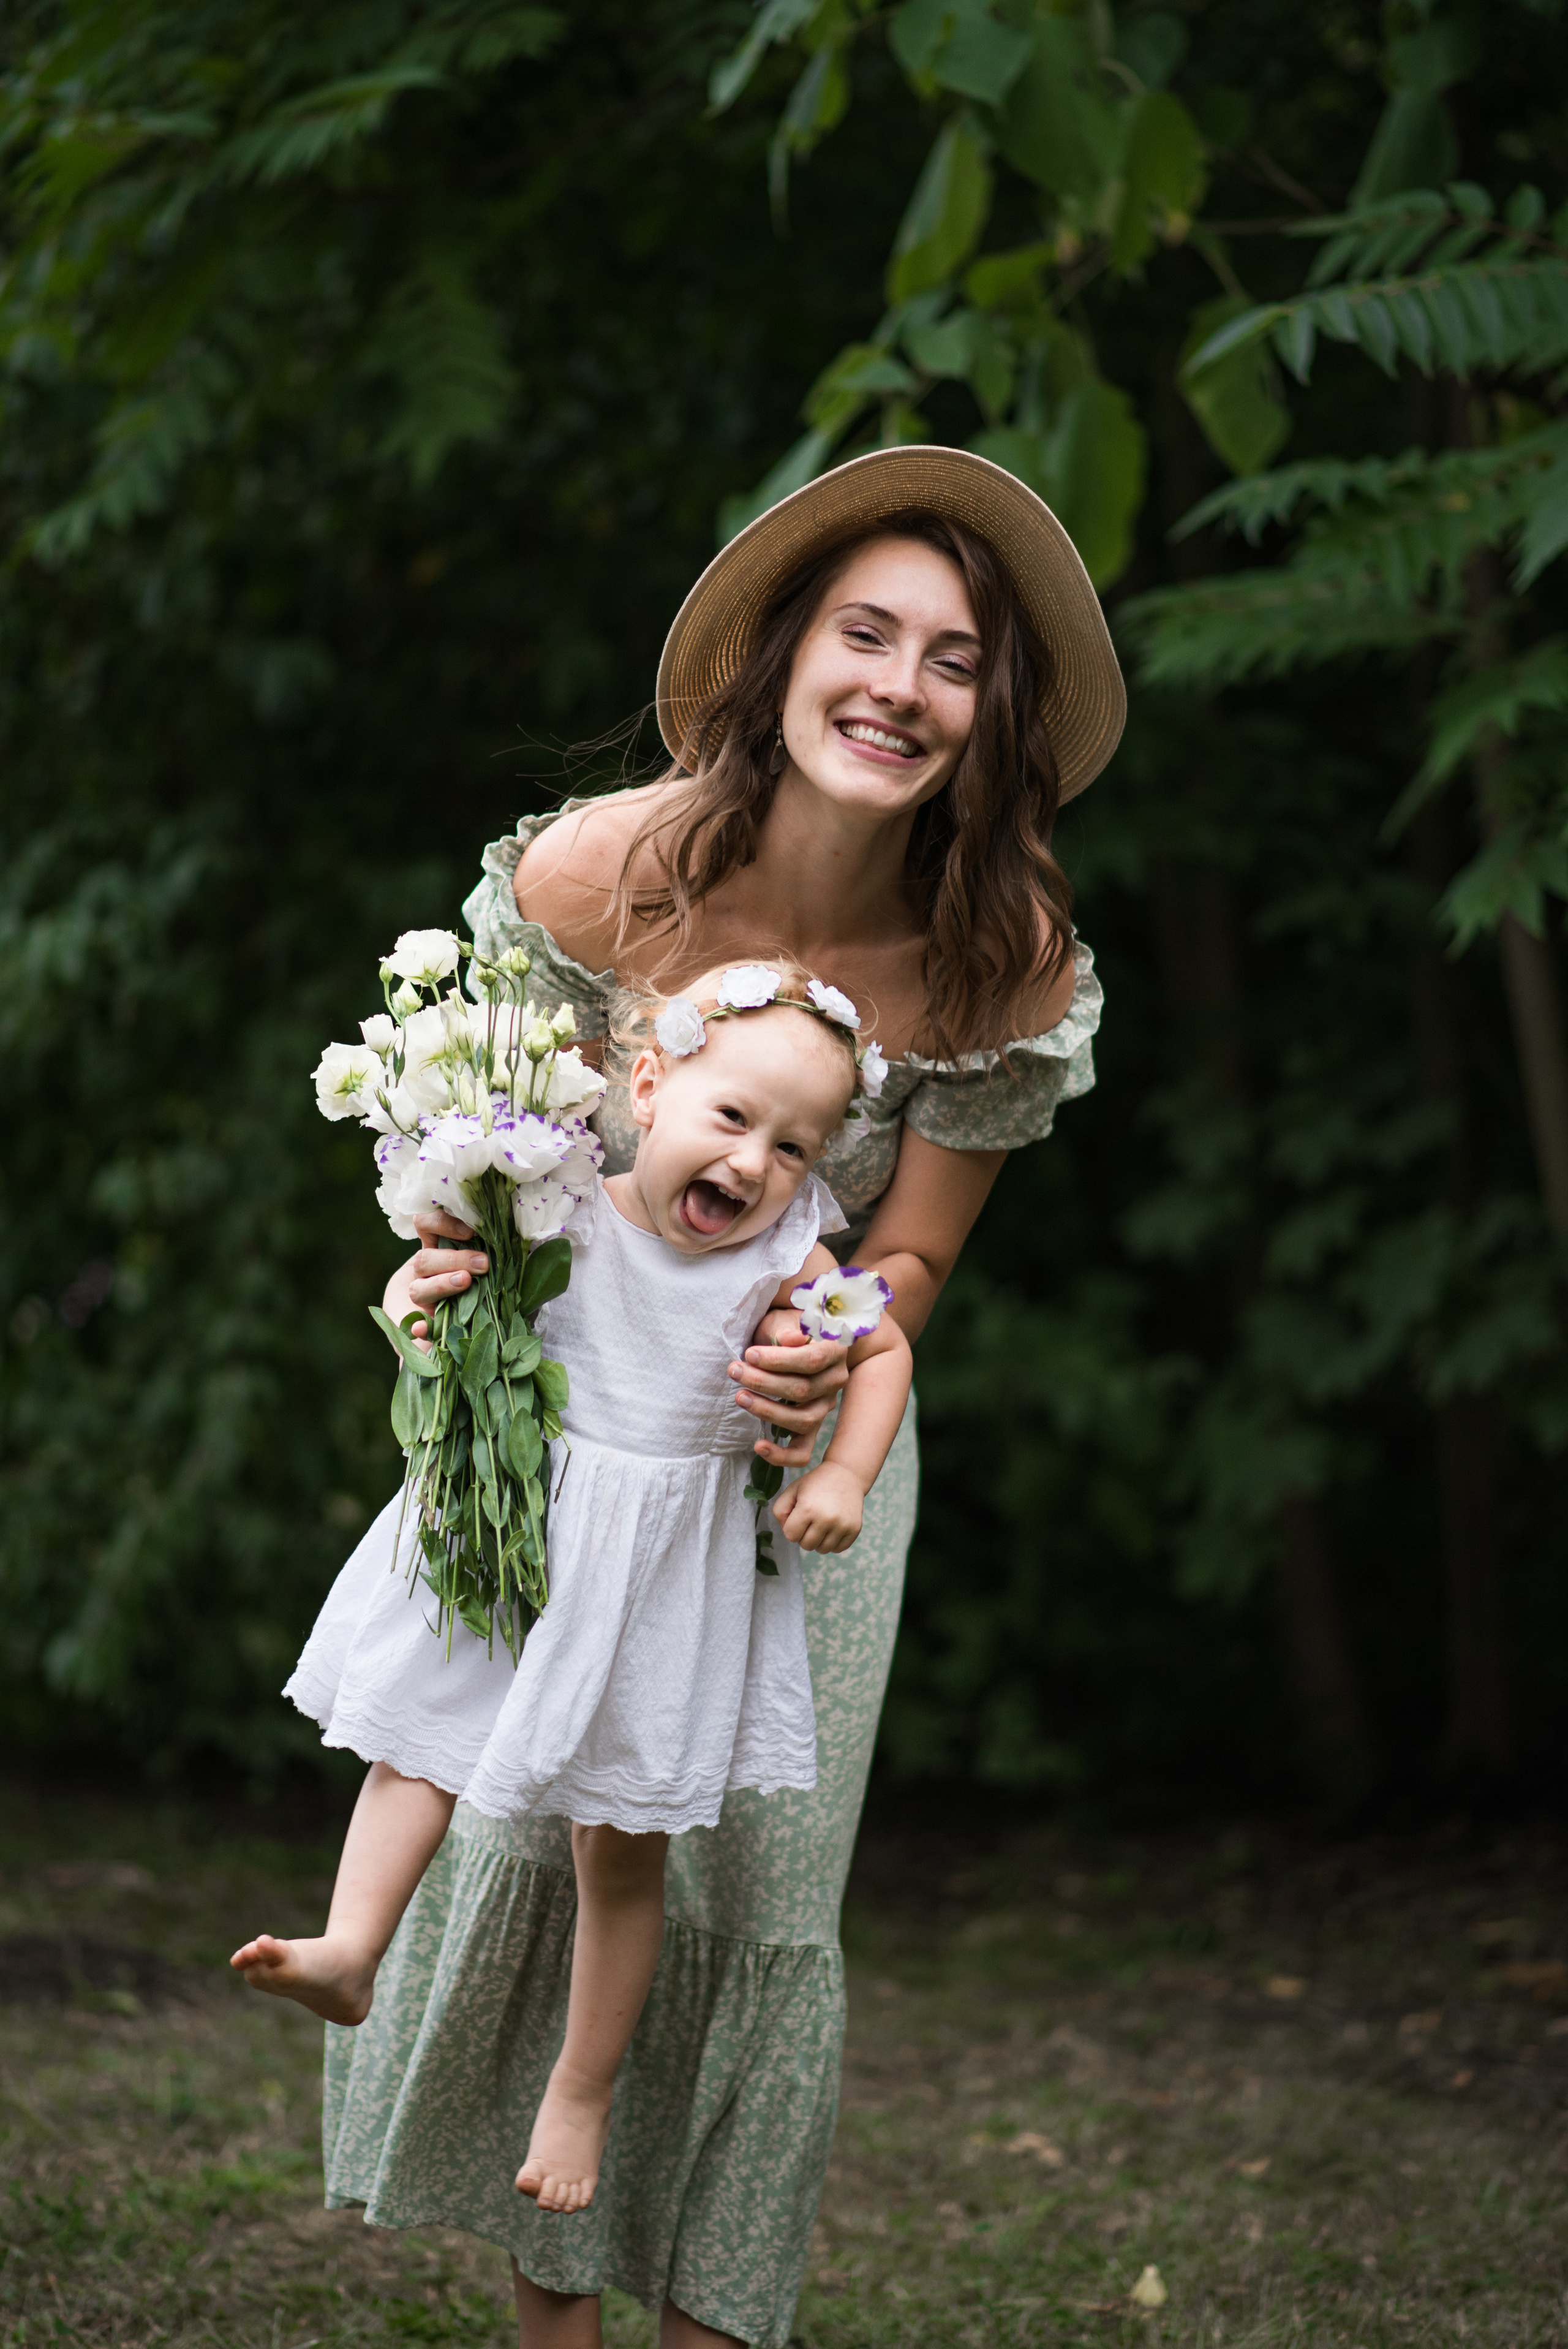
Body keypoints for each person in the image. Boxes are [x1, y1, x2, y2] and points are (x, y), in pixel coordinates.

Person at [315, 445, 1123, 2349]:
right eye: (868, 633)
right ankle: (554, 2320)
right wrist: (434, 1263)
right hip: (589, 1440)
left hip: (803, 1460)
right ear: (781, 658)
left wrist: (829, 1332)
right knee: (551, 1835)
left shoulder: (1004, 957)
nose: (902, 688)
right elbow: (482, 1160)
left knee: (754, 1888)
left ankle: (712, 2318)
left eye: (954, 663)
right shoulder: (602, 872)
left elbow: (911, 1258)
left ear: (989, 720)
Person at [231, 964, 913, 2220]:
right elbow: (431, 1288)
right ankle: (348, 1949)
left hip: (660, 1582)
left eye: (793, 1144)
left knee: (622, 1853)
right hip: (513, 1543)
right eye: (731, 1119)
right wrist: (409, 1309)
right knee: (412, 1750)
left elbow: (882, 1340)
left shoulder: (783, 1250)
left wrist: (849, 1476)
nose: (755, 1161)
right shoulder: (551, 1209)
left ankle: (582, 2087)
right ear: (646, 1086)